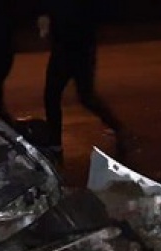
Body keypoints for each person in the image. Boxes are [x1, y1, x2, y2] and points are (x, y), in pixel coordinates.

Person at [38, 0, 125, 160]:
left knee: (75, 96)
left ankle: (56, 145)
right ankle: (55, 143)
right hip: (71, 46)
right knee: (57, 96)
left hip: (76, 47)